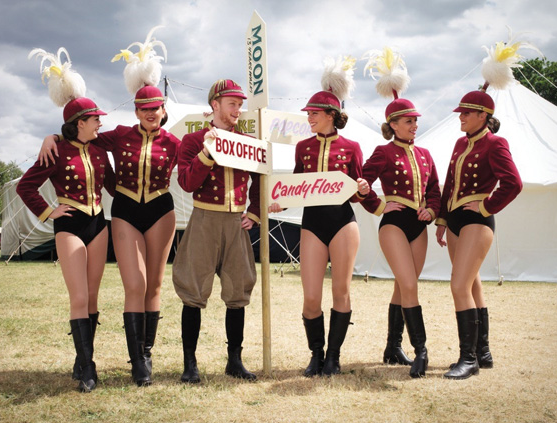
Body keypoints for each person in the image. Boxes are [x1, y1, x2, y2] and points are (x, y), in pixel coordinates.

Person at [38, 28, 177, 387]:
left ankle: (145, 355)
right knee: (136, 283)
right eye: (144, 108)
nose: (150, 113)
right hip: (126, 213)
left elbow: (192, 169)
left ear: (164, 109)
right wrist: (51, 136)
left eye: (156, 108)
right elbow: (77, 136)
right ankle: (134, 363)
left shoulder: (175, 143)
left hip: (161, 211)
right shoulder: (115, 136)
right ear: (136, 110)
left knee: (155, 286)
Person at [18, 48, 114, 392]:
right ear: (80, 123)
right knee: (78, 298)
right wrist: (48, 211)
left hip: (99, 223)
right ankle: (88, 367)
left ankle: (81, 356)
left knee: (93, 297)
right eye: (95, 119)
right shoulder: (55, 150)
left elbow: (115, 185)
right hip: (69, 225)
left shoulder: (101, 149)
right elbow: (26, 187)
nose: (100, 122)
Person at [271, 56, 370, 377]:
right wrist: (278, 204)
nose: (308, 118)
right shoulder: (302, 148)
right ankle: (316, 354)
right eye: (308, 113)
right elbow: (298, 187)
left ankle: (334, 358)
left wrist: (365, 189)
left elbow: (356, 192)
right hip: (312, 224)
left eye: (313, 113)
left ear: (331, 115)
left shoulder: (353, 147)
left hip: (344, 222)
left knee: (340, 291)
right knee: (311, 296)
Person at [359, 48, 440, 378]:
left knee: (403, 285)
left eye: (416, 120)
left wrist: (431, 210)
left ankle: (393, 348)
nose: (414, 125)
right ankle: (421, 351)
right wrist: (377, 203)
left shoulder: (425, 153)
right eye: (409, 121)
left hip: (417, 226)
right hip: (392, 224)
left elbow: (434, 188)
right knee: (409, 284)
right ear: (392, 124)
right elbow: (360, 183)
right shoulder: (382, 151)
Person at [173, 79, 260, 383]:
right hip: (205, 218)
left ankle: (234, 361)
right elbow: (186, 183)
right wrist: (206, 155)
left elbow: (260, 177)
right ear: (215, 105)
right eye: (232, 103)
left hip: (236, 221)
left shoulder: (246, 141)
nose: (238, 109)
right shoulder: (193, 141)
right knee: (193, 291)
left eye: (240, 104)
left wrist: (255, 211)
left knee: (238, 291)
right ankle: (190, 364)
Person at [436, 89, 522, 380]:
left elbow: (513, 183)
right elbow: (449, 183)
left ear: (483, 116)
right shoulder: (460, 143)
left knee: (459, 286)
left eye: (466, 113)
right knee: (472, 285)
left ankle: (468, 359)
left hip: (478, 219)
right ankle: (483, 353)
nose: (460, 117)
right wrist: (442, 219)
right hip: (456, 219)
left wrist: (487, 204)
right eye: (460, 112)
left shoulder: (496, 143)